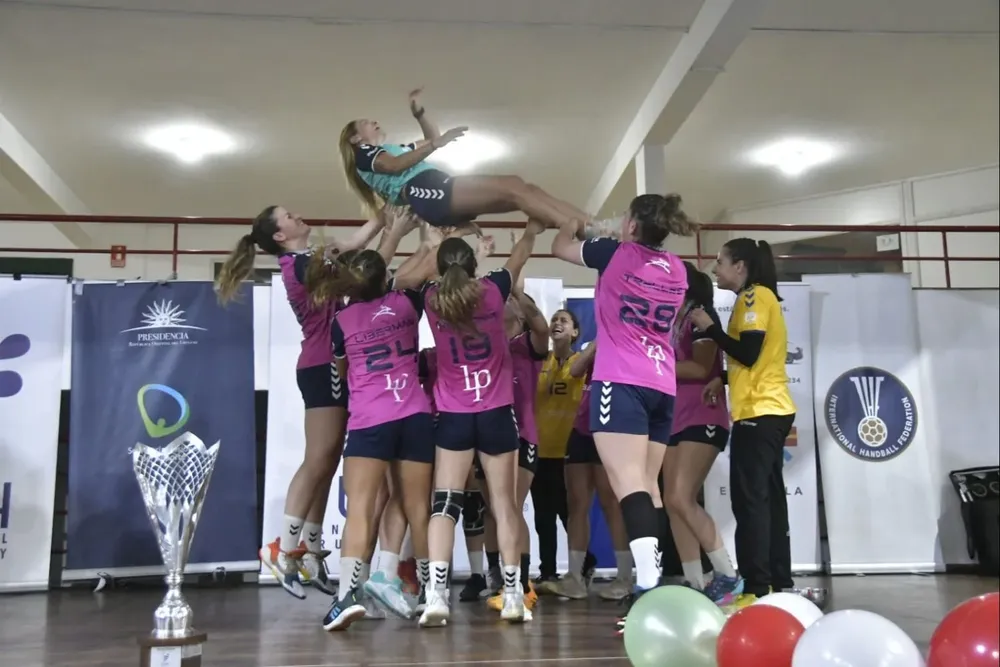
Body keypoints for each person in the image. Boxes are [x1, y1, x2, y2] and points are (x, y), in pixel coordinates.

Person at [215, 204, 390, 600]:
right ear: (280, 235)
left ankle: (310, 552)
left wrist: (381, 216)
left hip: (332, 363)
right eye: (289, 215)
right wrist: (385, 231)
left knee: (327, 462)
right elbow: (358, 268)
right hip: (321, 364)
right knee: (319, 457)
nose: (298, 215)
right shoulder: (298, 265)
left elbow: (350, 245)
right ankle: (282, 547)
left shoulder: (308, 260)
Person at [550, 193, 697, 626]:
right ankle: (649, 581)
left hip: (623, 381)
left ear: (632, 226)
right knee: (647, 487)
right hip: (661, 384)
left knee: (628, 484)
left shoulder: (612, 253)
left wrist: (576, 225)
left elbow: (561, 246)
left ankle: (648, 586)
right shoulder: (678, 269)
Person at [418, 221, 541, 627]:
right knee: (504, 506)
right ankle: (511, 595)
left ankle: (436, 596)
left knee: (445, 505)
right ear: (473, 265)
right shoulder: (492, 291)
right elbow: (519, 257)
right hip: (495, 414)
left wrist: (428, 235)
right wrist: (532, 228)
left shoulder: (433, 298)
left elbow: (430, 270)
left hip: (453, 416)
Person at [305, 248, 435, 630]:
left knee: (360, 508)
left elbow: (342, 372)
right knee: (416, 508)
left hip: (369, 419)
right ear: (385, 279)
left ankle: (347, 596)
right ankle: (429, 592)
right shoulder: (407, 302)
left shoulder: (341, 321)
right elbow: (427, 263)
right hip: (413, 414)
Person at [691, 238, 796, 613]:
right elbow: (753, 357)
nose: (714, 268)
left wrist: (710, 328)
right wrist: (721, 375)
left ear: (741, 266)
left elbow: (749, 352)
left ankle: (756, 587)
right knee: (767, 501)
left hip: (762, 413)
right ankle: (779, 582)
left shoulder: (753, 297)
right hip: (767, 410)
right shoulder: (756, 298)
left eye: (720, 261)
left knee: (750, 502)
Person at [338, 89, 594, 232]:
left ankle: (590, 223)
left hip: (437, 186)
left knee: (524, 188)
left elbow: (430, 139)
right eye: (365, 123)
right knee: (516, 190)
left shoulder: (391, 149)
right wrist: (436, 144)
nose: (372, 122)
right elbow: (395, 166)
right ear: (355, 138)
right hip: (427, 190)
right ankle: (576, 230)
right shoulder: (364, 154)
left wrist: (420, 115)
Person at [662, 262, 741, 606]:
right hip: (673, 416)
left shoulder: (701, 315)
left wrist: (655, 363)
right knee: (672, 501)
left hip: (703, 413)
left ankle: (727, 574)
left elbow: (697, 367)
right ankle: (696, 581)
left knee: (681, 497)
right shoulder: (674, 319)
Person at [484, 284, 549, 614]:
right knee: (493, 510)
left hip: (523, 436)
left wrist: (520, 293)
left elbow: (542, 329)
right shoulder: (490, 342)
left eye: (510, 301)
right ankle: (498, 577)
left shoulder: (527, 345)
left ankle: (522, 584)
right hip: (490, 433)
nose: (505, 302)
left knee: (511, 505)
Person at [553, 341, 633, 603]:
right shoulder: (595, 344)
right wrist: (596, 344)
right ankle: (575, 577)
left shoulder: (627, 343)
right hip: (581, 428)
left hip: (611, 426)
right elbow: (576, 370)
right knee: (576, 503)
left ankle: (624, 577)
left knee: (611, 503)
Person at [531, 309, 597, 594]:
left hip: (569, 449)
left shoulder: (580, 362)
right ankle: (547, 573)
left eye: (564, 320)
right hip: (540, 449)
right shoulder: (538, 361)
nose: (557, 323)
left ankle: (583, 565)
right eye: (554, 319)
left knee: (568, 513)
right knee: (542, 517)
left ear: (575, 332)